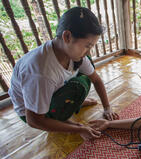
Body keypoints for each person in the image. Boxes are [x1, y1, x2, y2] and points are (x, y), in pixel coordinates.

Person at [8, 7, 119, 141]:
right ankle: (65, 110)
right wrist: (78, 128)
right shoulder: (41, 72)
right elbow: (34, 120)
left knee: (86, 72)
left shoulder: (69, 53)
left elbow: (96, 80)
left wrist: (107, 108)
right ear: (67, 36)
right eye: (87, 46)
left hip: (50, 92)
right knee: (78, 87)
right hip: (31, 112)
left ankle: (72, 104)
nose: (88, 52)